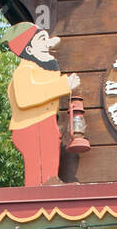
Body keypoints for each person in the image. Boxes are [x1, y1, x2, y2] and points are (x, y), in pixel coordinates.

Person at [5, 22, 81, 186]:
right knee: (38, 157)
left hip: (45, 121)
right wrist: (64, 85)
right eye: (41, 40)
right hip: (30, 125)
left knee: (50, 149)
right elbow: (25, 97)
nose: (48, 44)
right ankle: (38, 188)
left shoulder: (43, 67)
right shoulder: (25, 69)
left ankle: (50, 180)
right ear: (29, 50)